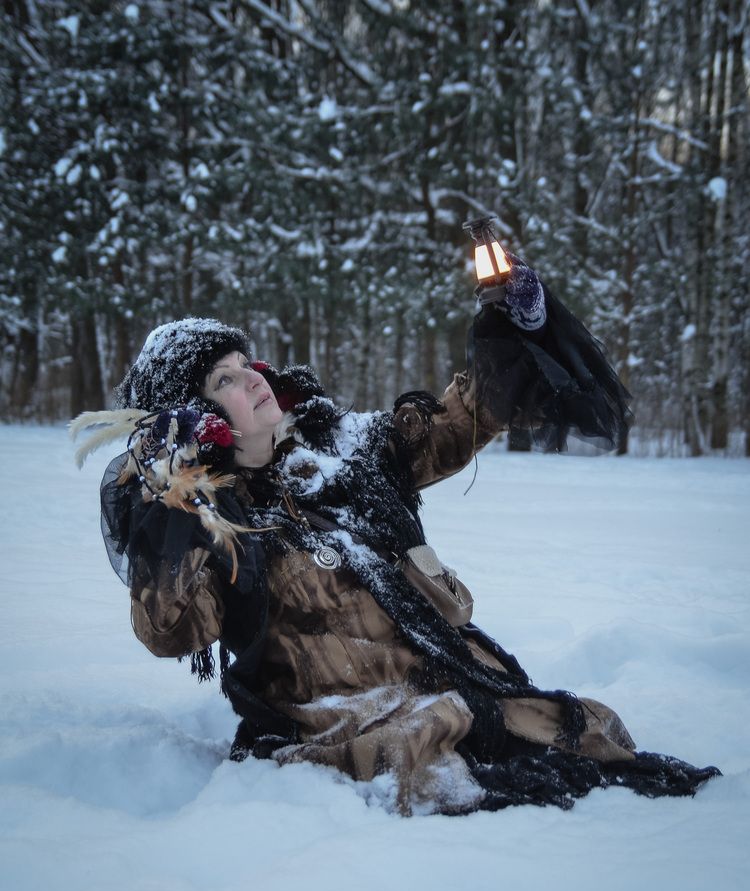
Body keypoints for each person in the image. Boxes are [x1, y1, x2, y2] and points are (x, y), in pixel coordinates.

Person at [75, 261, 720, 815]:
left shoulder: (340, 457)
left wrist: (510, 328)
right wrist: (176, 492)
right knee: (443, 755)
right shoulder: (212, 522)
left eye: (247, 364)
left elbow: (450, 428)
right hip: (354, 717)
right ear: (198, 421)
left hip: (446, 674)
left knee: (587, 729)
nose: (252, 378)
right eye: (224, 381)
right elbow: (171, 631)